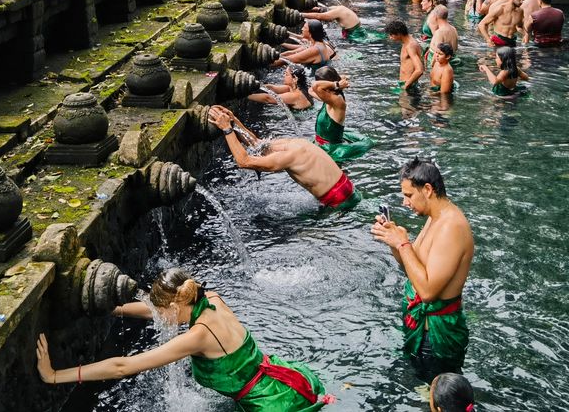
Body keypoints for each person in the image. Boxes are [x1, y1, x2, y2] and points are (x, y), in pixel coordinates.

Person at [36, 267, 333, 410]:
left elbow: (122, 367)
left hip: (270, 405)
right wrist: (114, 309)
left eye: (161, 311)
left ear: (176, 306)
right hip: (283, 378)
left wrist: (54, 376)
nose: (159, 317)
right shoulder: (212, 298)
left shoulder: (198, 336)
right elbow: (155, 310)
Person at [371, 158, 474, 381]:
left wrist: (402, 244)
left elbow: (428, 292)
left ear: (427, 189)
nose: (405, 202)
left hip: (437, 335)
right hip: (422, 327)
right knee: (423, 387)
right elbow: (412, 266)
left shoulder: (451, 227)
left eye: (408, 195)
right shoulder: (434, 217)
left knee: (437, 393)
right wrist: (394, 239)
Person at [209, 105, 360, 209]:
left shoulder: (288, 156)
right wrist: (234, 120)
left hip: (340, 203)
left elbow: (244, 161)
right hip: (349, 189)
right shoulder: (294, 144)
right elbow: (257, 144)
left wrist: (227, 129)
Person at [310, 66, 374, 162]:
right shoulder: (328, 98)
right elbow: (311, 90)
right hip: (321, 145)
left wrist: (336, 84)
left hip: (332, 151)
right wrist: (336, 82)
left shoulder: (336, 100)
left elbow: (315, 86)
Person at [301, 4, 382, 44]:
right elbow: (324, 10)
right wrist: (318, 8)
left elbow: (320, 16)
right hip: (356, 30)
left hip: (355, 34)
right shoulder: (339, 7)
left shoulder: (337, 11)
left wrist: (301, 14)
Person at [248, 65, 313, 111]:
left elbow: (267, 99)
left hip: (299, 121)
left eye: (286, 74)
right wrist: (257, 85)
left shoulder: (295, 95)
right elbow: (273, 88)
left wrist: (245, 95)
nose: (284, 76)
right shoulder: (297, 87)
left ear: (295, 79)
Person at [385, 20, 424, 93]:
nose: (390, 37)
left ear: (399, 34)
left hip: (409, 87)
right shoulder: (406, 43)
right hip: (406, 84)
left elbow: (420, 70)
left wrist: (406, 86)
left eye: (391, 35)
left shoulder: (410, 46)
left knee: (403, 104)